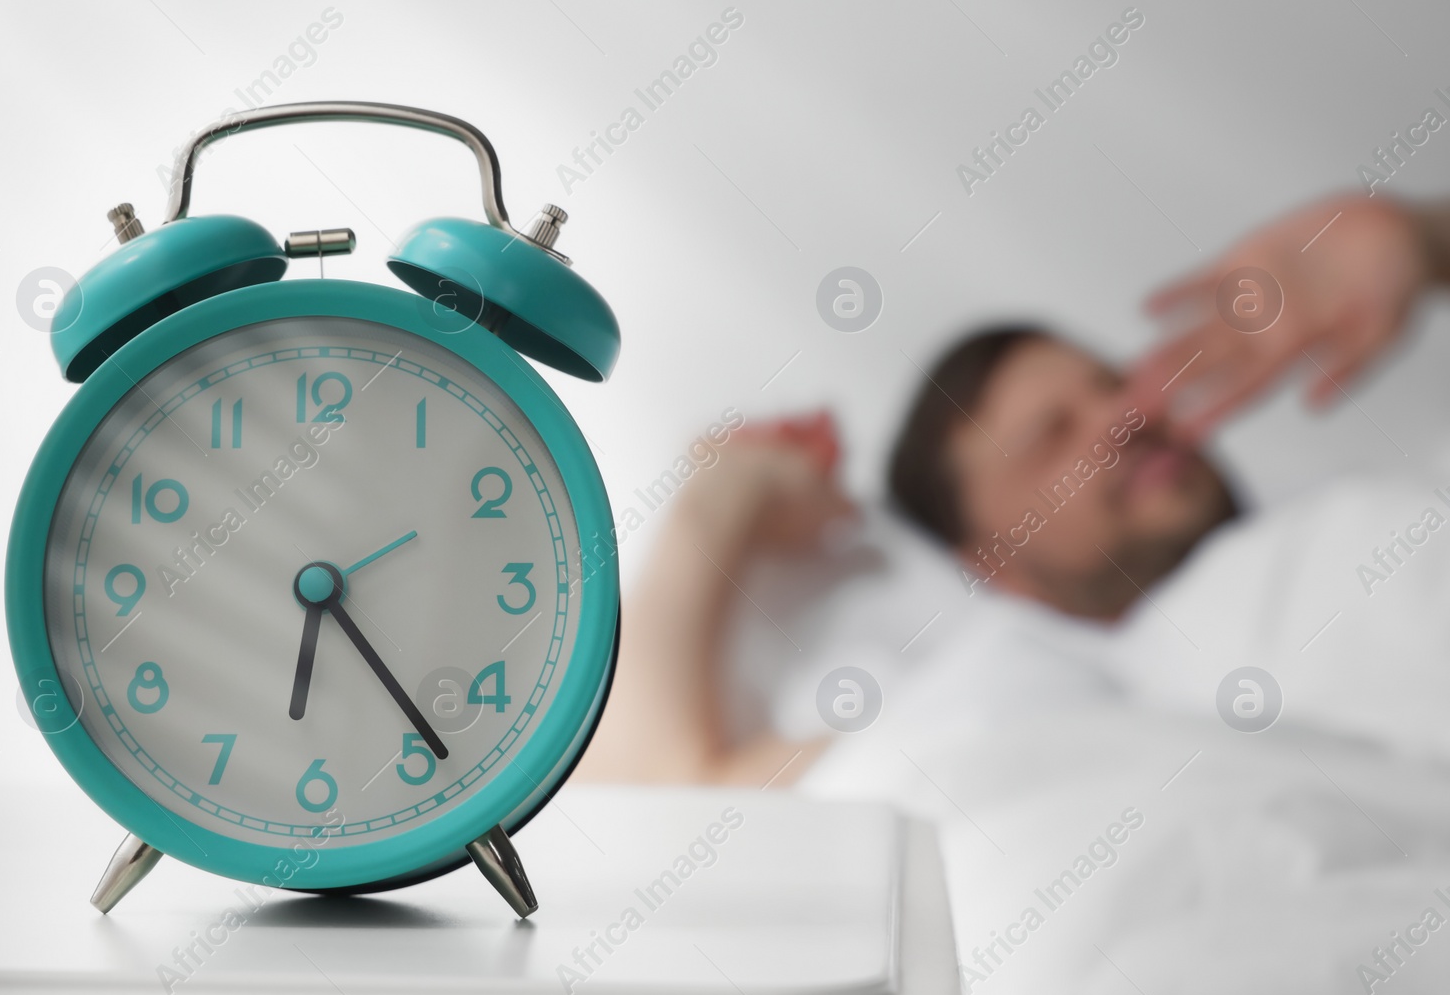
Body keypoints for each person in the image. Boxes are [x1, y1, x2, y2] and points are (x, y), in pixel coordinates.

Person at [575, 191, 1450, 785]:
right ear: (991, 563)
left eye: (1111, 383)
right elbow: (663, 804)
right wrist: (716, 501)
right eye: (1050, 438)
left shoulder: (1356, 515)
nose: (1123, 418)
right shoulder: (1014, 703)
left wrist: (1425, 241)